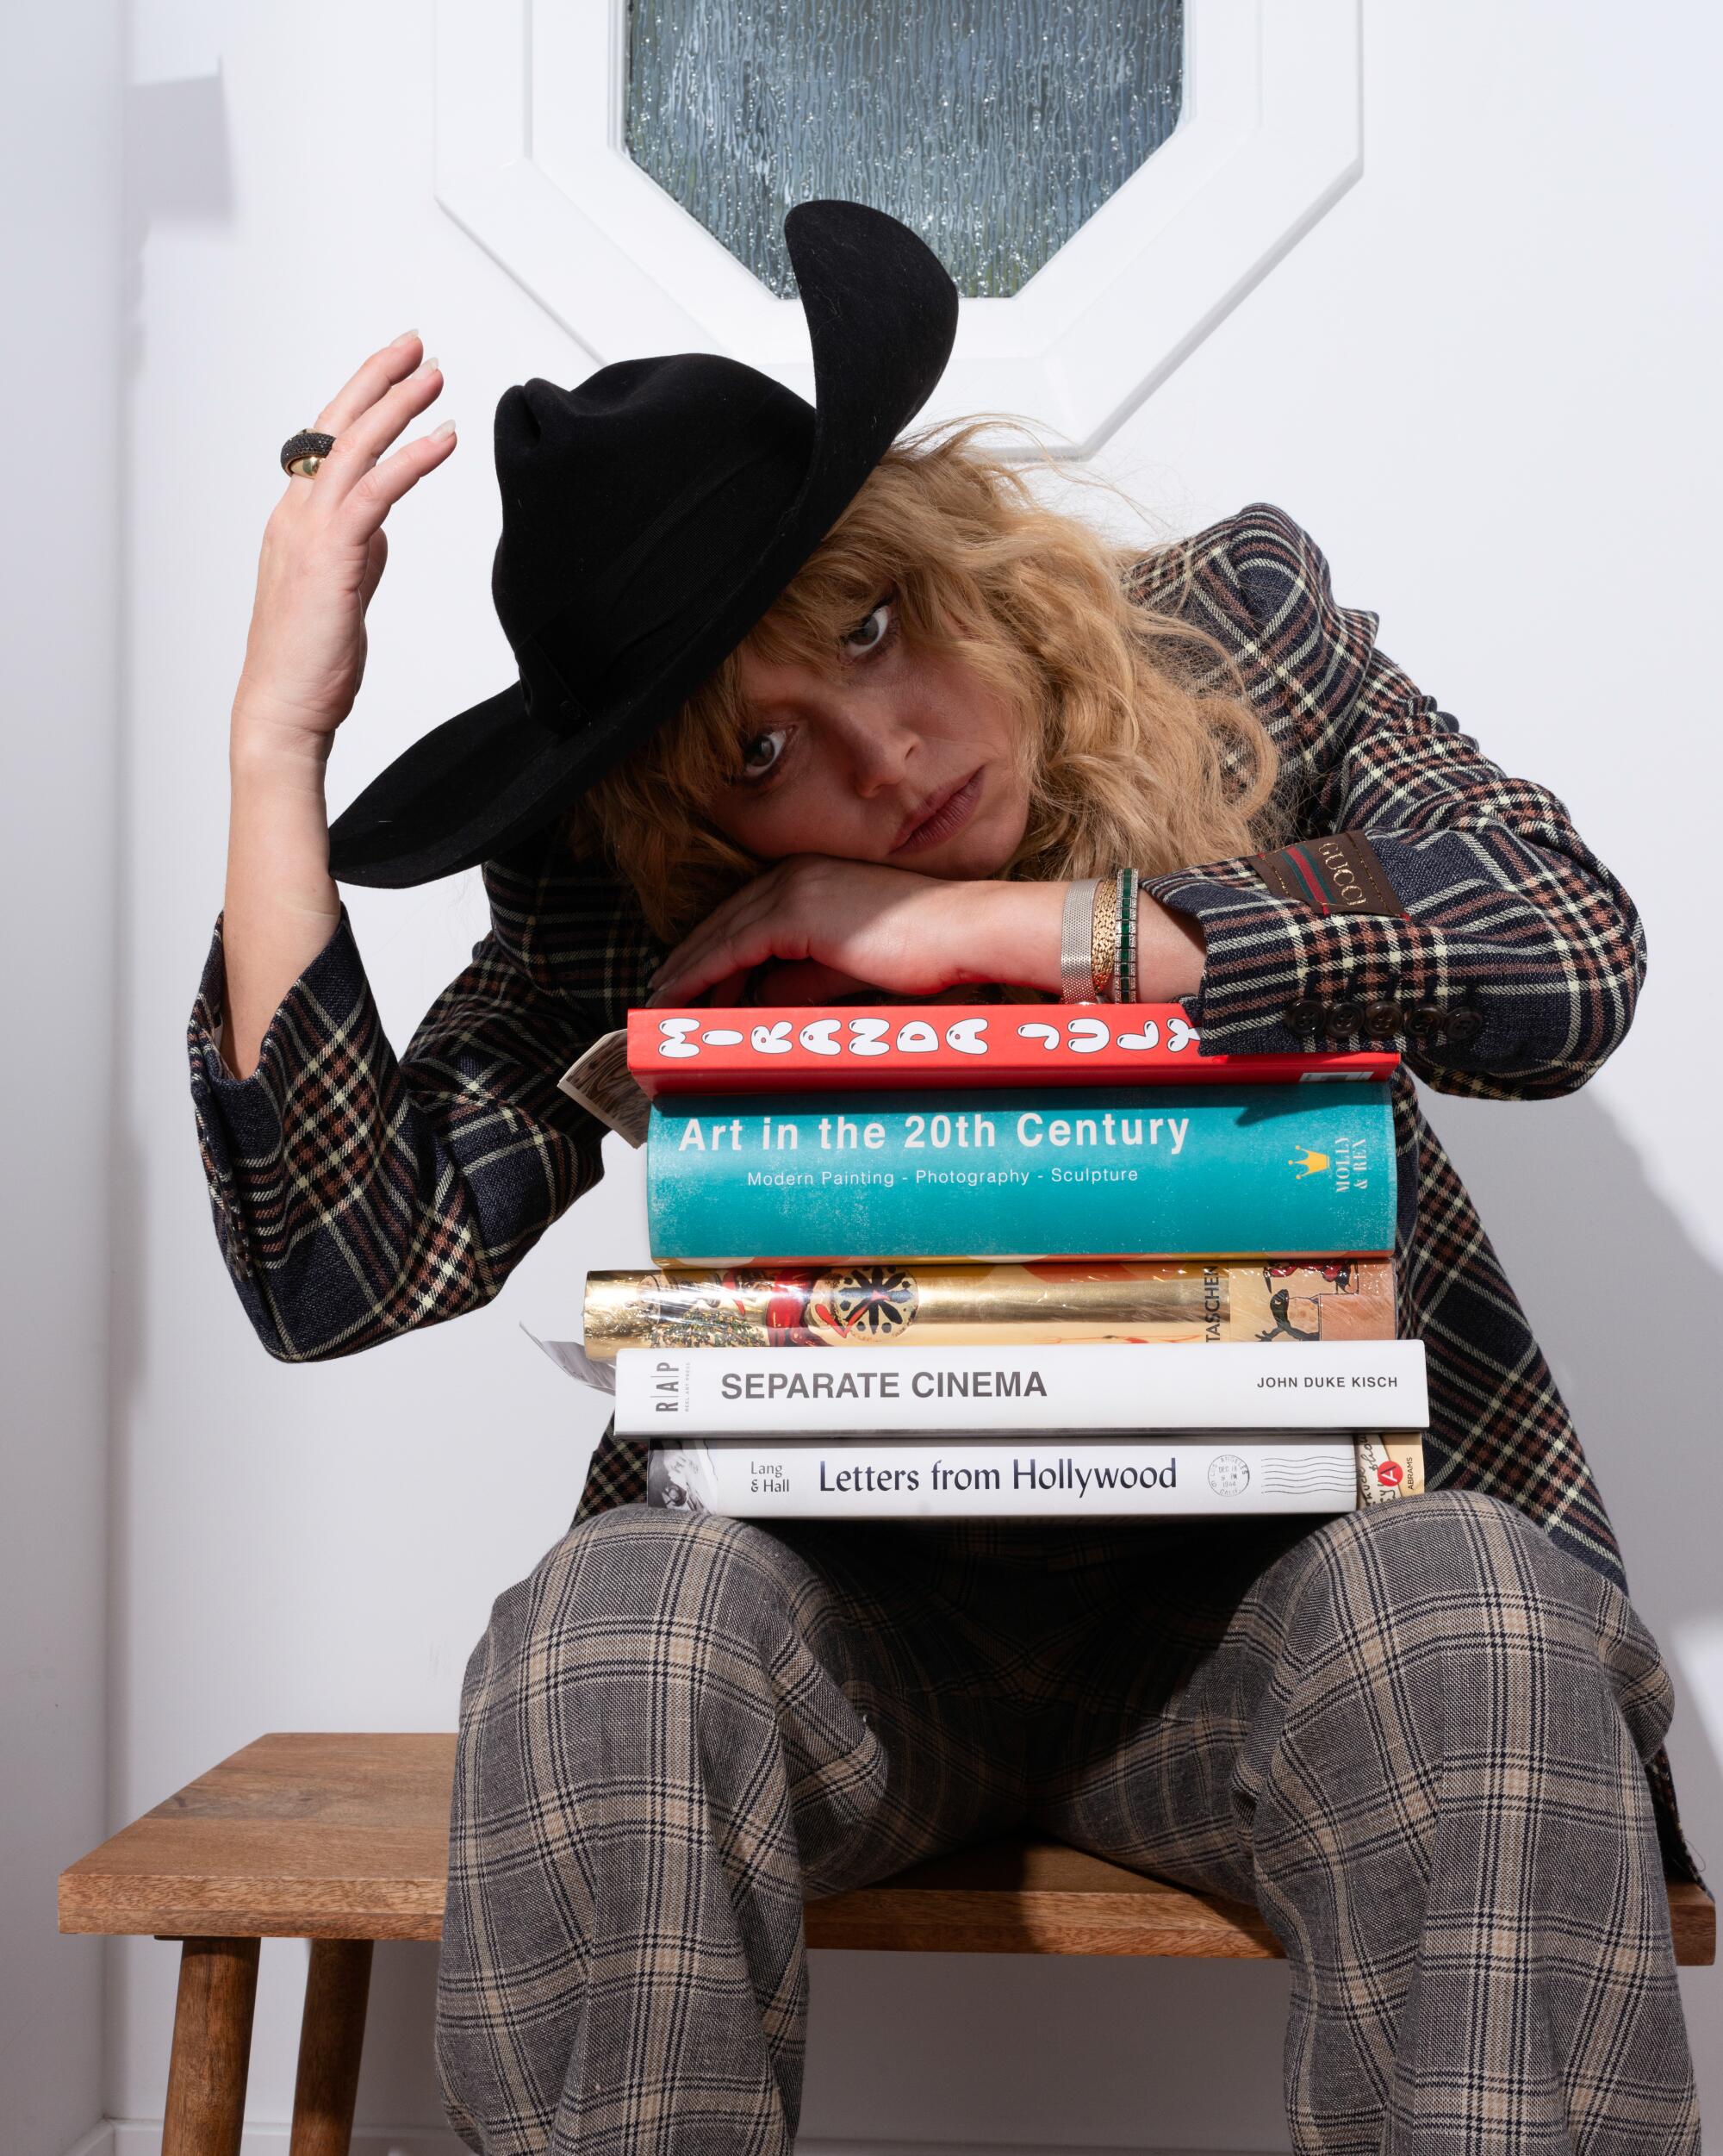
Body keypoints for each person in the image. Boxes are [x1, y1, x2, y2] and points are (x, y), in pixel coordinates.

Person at [188, 203, 1703, 2153]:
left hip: (1294, 1607)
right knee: (605, 1633)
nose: (883, 755)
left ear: (931, 546)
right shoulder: (634, 900)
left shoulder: (1235, 638)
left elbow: (1564, 951)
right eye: (761, 749)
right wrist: (271, 746)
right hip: (842, 1638)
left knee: (1479, 1613)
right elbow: (340, 1262)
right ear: (677, 817)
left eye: (867, 626)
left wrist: (1027, 930)